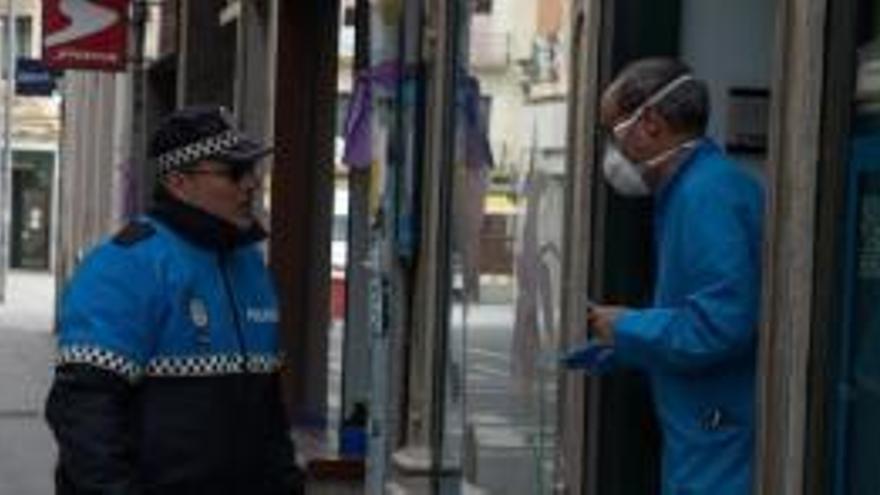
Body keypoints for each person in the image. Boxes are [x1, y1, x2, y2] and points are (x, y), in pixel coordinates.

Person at [45, 106, 302, 494]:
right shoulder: (124, 266)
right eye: (234, 172)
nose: (251, 183)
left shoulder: (250, 265)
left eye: (252, 170)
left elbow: (269, 418)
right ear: (179, 182)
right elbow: (86, 417)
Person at [582, 58, 764, 494]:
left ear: (650, 123)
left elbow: (720, 325)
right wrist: (620, 341)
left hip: (715, 439)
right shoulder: (692, 191)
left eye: (613, 130)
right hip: (703, 433)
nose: (611, 148)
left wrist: (627, 326)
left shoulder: (707, 196)